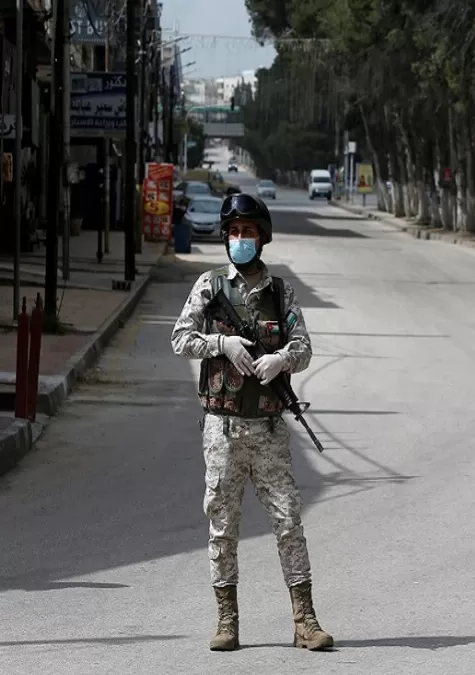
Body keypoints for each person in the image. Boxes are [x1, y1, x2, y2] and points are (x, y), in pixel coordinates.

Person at [170, 193, 333, 653]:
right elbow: (180, 338)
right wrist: (221, 346)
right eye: (234, 232)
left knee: (288, 522)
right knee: (223, 526)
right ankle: (227, 621)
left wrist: (281, 359)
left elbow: (303, 347)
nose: (241, 239)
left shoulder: (281, 293)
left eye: (248, 231)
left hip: (267, 430)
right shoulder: (209, 285)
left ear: (262, 237)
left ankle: (305, 621)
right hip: (222, 430)